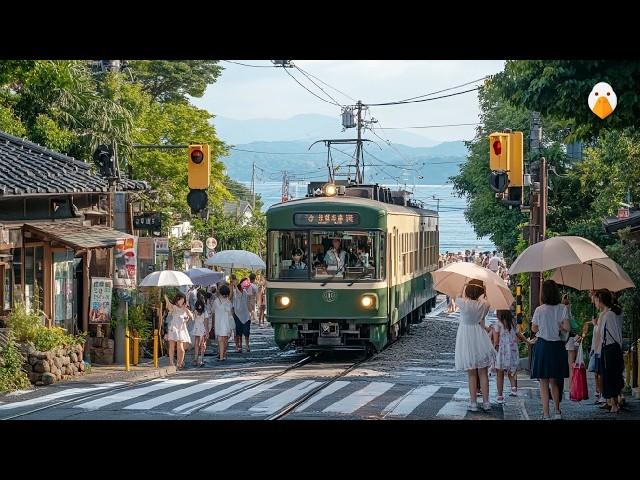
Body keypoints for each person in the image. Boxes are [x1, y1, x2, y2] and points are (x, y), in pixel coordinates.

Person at [530, 280, 570, 420]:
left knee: (543, 382)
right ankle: (557, 411)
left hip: (543, 347)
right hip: (557, 347)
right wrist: (557, 326)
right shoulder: (562, 308)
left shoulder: (539, 310)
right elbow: (567, 328)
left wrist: (544, 326)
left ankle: (546, 414)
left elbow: (534, 328)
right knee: (555, 381)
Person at [454, 280, 496, 412]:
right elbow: (482, 319)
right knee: (483, 372)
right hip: (479, 336)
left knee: (471, 373)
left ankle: (473, 403)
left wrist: (462, 285)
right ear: (481, 292)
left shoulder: (463, 304)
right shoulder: (484, 305)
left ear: (467, 290)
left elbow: (456, 296)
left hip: (466, 337)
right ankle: (486, 402)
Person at [492, 309, 533, 402]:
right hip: (512, 350)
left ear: (500, 313)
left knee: (500, 373)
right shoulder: (513, 323)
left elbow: (496, 341)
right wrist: (527, 341)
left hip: (502, 352)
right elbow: (519, 334)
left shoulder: (497, 324)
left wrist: (493, 349)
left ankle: (500, 396)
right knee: (512, 370)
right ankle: (514, 388)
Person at [594, 290, 624, 413]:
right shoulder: (607, 314)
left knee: (611, 376)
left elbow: (610, 334)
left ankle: (614, 403)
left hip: (610, 349)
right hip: (609, 349)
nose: (596, 302)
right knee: (609, 376)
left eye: (597, 300)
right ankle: (613, 402)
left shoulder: (609, 315)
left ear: (601, 301)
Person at [164, 293, 193, 370]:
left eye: (182, 299)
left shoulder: (185, 308)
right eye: (179, 299)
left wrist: (186, 310)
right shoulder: (174, 307)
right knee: (172, 346)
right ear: (176, 300)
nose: (180, 301)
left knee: (181, 347)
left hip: (182, 329)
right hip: (174, 328)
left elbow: (191, 317)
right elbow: (169, 306)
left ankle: (179, 362)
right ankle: (171, 362)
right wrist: (166, 298)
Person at [212, 285, 233, 361]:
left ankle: (221, 356)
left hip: (218, 323)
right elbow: (231, 314)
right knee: (225, 340)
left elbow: (213, 312)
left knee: (220, 340)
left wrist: (212, 324)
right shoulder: (228, 302)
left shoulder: (216, 301)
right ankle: (223, 354)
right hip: (226, 323)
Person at [232, 278, 252, 353]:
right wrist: (234, 285)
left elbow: (242, 296)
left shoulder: (245, 292)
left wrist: (251, 312)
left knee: (246, 332)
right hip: (237, 314)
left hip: (245, 314)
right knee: (238, 332)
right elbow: (238, 295)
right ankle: (239, 345)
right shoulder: (235, 292)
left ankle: (247, 345)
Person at [191, 299, 208, 367]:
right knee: (202, 344)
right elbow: (206, 323)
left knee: (197, 344)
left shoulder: (195, 312)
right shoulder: (205, 312)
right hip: (202, 329)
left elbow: (192, 319)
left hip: (196, 328)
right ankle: (201, 359)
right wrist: (207, 332)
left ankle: (196, 359)